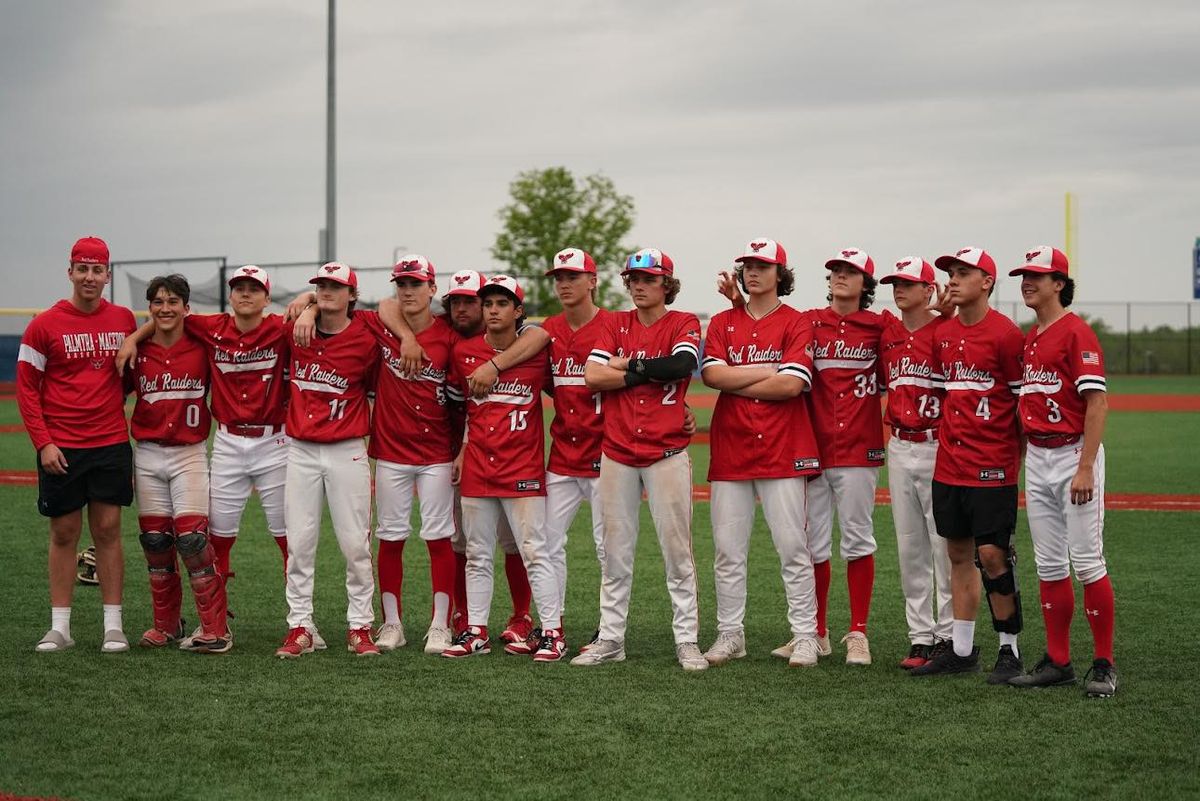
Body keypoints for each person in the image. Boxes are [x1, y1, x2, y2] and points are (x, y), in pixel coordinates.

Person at [574, 248, 706, 671]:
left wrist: (628, 365)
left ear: (666, 283)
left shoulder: (681, 321)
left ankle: (686, 639)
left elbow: (683, 363)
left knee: (677, 552)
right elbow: (593, 375)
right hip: (617, 454)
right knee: (615, 553)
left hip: (666, 453)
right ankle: (611, 638)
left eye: (649, 279)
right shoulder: (615, 323)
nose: (639, 285)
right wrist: (647, 371)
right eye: (633, 279)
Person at [701, 239, 823, 668]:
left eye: (763, 266)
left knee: (792, 547)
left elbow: (791, 385)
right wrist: (765, 370)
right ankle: (730, 634)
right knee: (727, 550)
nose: (753, 272)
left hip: (784, 447)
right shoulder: (721, 321)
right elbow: (712, 375)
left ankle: (806, 635)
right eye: (748, 266)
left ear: (780, 274)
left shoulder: (797, 322)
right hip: (732, 448)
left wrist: (738, 377)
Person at [911, 247, 1026, 684]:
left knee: (994, 556)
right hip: (950, 466)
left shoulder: (1007, 336)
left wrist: (1013, 463)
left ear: (987, 283)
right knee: (957, 553)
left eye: (963, 273)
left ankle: (1009, 648)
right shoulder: (943, 335)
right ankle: (961, 649)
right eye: (951, 273)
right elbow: (945, 397)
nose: (953, 280)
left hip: (993, 466)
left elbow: (1020, 407)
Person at [1006, 246, 1117, 697]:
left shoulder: (1076, 333)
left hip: (1073, 455)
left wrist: (1086, 465)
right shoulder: (1032, 337)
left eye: (1037, 275)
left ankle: (1105, 664)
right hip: (1039, 456)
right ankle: (1058, 661)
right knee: (1050, 563)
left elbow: (1097, 402)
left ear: (1059, 283)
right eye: (1024, 275)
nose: (1027, 282)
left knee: (1087, 562)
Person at [18, 236, 137, 652]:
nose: (89, 277)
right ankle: (61, 627)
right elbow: (27, 391)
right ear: (70, 271)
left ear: (108, 275)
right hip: (62, 447)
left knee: (107, 529)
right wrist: (44, 444)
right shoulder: (43, 324)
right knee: (64, 532)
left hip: (109, 442)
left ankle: (113, 626)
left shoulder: (124, 318)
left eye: (97, 269)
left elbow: (130, 376)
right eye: (82, 269)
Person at [441, 275, 567, 661]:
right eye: (489, 304)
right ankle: (476, 630)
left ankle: (552, 632)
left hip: (522, 467)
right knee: (478, 552)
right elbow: (459, 409)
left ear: (518, 311)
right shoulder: (463, 353)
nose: (493, 310)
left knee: (534, 551)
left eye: (502, 304)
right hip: (479, 465)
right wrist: (462, 448)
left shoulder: (536, 351)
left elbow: (547, 345)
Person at [275, 262, 381, 658]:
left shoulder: (366, 340)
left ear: (352, 295)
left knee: (355, 544)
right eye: (320, 285)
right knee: (300, 543)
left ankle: (360, 626)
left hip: (347, 448)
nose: (325, 290)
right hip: (300, 449)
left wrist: (309, 306)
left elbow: (373, 389)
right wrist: (306, 307)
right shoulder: (295, 330)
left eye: (335, 286)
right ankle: (299, 625)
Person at [129, 275, 229, 652]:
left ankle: (214, 628)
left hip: (188, 452)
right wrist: (133, 339)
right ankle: (166, 624)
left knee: (192, 539)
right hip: (149, 452)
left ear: (187, 307)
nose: (165, 308)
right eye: (158, 302)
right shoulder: (137, 353)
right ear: (150, 308)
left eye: (173, 301)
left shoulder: (202, 346)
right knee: (155, 541)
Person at [364, 255, 459, 655]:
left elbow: (464, 402)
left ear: (432, 289)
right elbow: (373, 307)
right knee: (391, 538)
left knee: (439, 539)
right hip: (391, 450)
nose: (407, 291)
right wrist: (405, 337)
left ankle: (440, 625)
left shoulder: (450, 336)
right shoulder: (384, 325)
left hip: (437, 451)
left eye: (416, 284)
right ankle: (392, 623)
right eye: (401, 284)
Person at [803, 248, 886, 666]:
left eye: (849, 272)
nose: (839, 275)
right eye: (835, 269)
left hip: (858, 448)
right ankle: (816, 633)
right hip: (812, 449)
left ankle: (858, 632)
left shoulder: (879, 327)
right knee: (813, 543)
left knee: (857, 540)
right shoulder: (808, 322)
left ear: (865, 284)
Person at [878, 258, 954, 669]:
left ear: (930, 289)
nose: (899, 288)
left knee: (943, 545)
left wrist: (952, 314)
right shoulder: (887, 332)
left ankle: (948, 635)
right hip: (899, 446)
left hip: (938, 445)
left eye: (908, 283)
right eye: (895, 282)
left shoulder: (947, 331)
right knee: (910, 547)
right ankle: (920, 636)